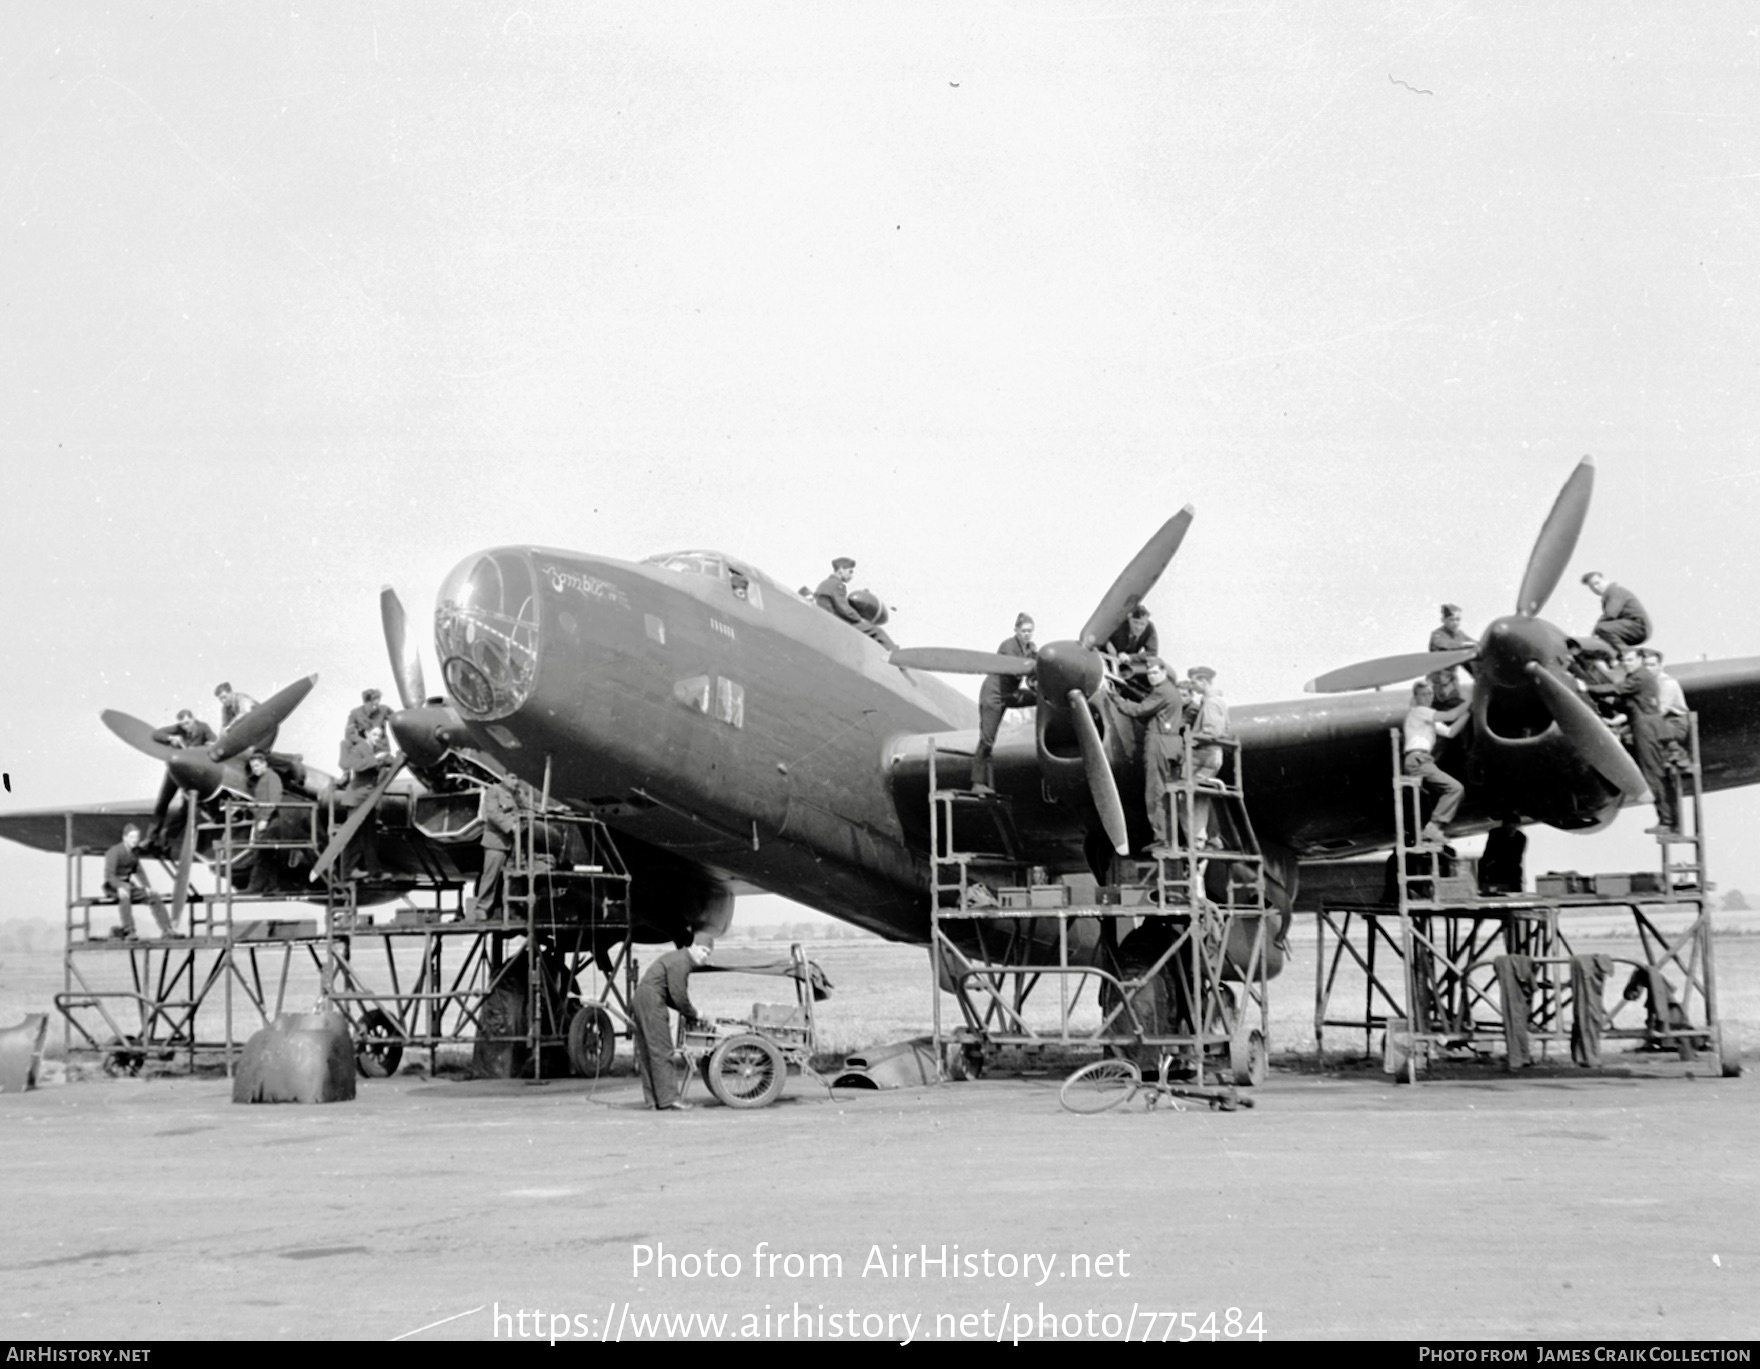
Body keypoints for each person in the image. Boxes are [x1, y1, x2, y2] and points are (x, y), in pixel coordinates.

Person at [1591, 648, 1676, 834]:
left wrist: (1586, 689)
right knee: (1655, 774)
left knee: (1653, 775)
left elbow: (1618, 689)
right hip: (1647, 728)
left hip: (1647, 730)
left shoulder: (1640, 676)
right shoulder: (1640, 678)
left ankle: (1667, 822)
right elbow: (1628, 704)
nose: (1627, 663)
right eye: (1624, 660)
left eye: (1631, 659)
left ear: (1639, 659)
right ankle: (1667, 820)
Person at [1110, 658, 1186, 852]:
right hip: (1173, 743)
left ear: (1163, 672)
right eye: (1149, 673)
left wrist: (1114, 697)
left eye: (1155, 673)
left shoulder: (1161, 691)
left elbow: (1138, 710)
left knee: (1155, 791)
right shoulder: (1171, 691)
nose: (1151, 677)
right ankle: (1170, 837)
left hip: (1159, 742)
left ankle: (1162, 838)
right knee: (1168, 792)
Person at [630, 936, 713, 1111]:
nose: (705, 955)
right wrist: (695, 1013)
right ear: (694, 946)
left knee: (648, 1053)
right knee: (662, 1050)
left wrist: (689, 1012)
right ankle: (669, 1100)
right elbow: (679, 996)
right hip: (652, 1000)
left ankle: (654, 1100)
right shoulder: (681, 962)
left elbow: (674, 997)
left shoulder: (677, 958)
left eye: (708, 953)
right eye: (703, 950)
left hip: (642, 997)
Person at [972, 614, 1037, 794]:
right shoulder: (1008, 646)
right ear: (1016, 630)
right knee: (987, 739)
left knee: (1042, 696)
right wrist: (1034, 666)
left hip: (1011, 695)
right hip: (994, 696)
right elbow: (1016, 670)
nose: (1026, 634)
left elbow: (1038, 667)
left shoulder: (1031, 649)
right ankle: (977, 783)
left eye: (1029, 631)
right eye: (1023, 631)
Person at [1403, 680, 1467, 843]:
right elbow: (1451, 715)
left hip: (1423, 760)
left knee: (1451, 790)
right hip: (1418, 759)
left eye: (1430, 694)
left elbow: (1450, 731)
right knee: (1455, 788)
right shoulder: (1419, 711)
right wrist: (1471, 701)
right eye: (1423, 694)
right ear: (1416, 697)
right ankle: (1433, 827)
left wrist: (1468, 714)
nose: (1427, 697)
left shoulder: (1427, 716)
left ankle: (1432, 827)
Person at [144, 710, 219, 850]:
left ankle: (166, 837)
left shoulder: (203, 728)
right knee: (162, 803)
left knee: (186, 809)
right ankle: (150, 838)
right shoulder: (178, 729)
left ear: (193, 719)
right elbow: (155, 734)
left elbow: (214, 742)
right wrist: (170, 738)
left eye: (187, 723)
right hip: (175, 772)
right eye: (182, 724)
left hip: (192, 775)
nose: (185, 727)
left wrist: (196, 749)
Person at [103, 825, 174, 939]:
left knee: (154, 897)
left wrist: (147, 887)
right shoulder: (114, 852)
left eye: (136, 838)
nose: (135, 840)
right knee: (125, 896)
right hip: (113, 886)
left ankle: (167, 929)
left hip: (128, 884)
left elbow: (138, 871)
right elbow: (109, 876)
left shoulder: (134, 852)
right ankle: (129, 931)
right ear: (125, 838)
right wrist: (120, 886)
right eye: (132, 837)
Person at [812, 557, 897, 651]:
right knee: (877, 631)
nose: (851, 575)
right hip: (837, 621)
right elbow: (843, 608)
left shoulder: (825, 583)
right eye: (850, 571)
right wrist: (859, 619)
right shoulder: (838, 585)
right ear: (841, 570)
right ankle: (897, 656)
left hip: (828, 619)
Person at [1186, 666, 1230, 846]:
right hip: (1212, 754)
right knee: (1200, 796)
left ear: (1204, 681)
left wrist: (1190, 739)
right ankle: (1205, 836)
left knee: (1190, 796)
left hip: (1205, 755)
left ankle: (1198, 839)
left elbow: (1211, 732)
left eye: (1195, 682)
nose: (1193, 686)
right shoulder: (1217, 701)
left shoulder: (1211, 703)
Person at [467, 778, 521, 920]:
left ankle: (511, 909)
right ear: (504, 777)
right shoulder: (494, 791)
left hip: (512, 844)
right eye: (513, 778)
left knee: (513, 879)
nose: (516, 782)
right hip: (496, 842)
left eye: (518, 779)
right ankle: (482, 909)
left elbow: (529, 807)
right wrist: (511, 826)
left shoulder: (518, 794)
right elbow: (492, 814)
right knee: (490, 877)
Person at [1578, 573, 1651, 663]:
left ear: (1606, 580)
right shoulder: (1608, 596)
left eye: (1597, 583)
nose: (1596, 588)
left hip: (1638, 627)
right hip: (1632, 628)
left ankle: (1628, 655)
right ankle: (1613, 659)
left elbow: (1610, 614)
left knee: (1601, 628)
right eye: (1592, 587)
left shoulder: (1614, 591)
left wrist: (1594, 632)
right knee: (1604, 635)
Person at [1427, 604, 1478, 709]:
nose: (1455, 623)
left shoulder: (1460, 635)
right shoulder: (1437, 635)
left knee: (1462, 707)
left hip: (1452, 682)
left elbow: (1477, 645)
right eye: (1451, 619)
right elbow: (1445, 645)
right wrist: (1465, 645)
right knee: (1458, 708)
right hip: (1438, 683)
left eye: (1458, 619)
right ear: (1443, 619)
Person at [1106, 605, 1159, 691]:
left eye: (1142, 624)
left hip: (1127, 666)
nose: (1139, 627)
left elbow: (1152, 653)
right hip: (1108, 661)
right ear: (1129, 619)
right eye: (1135, 622)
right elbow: (1099, 635)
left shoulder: (1149, 628)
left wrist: (1130, 657)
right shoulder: (1118, 624)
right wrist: (1107, 644)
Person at [1479, 817, 1527, 895]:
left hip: (1511, 873)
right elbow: (1488, 855)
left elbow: (1516, 858)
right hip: (1497, 872)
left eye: (1514, 825)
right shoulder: (1495, 834)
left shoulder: (1520, 837)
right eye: (1510, 825)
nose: (1512, 828)